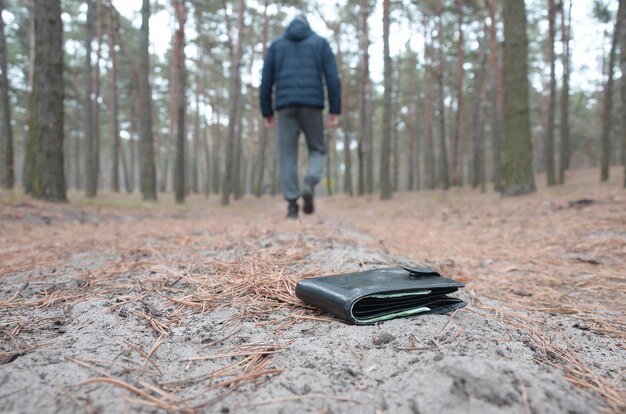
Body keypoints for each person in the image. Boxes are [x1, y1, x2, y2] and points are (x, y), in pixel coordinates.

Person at [260, 14, 341, 219]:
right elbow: (332, 77)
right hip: (312, 105)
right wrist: (335, 109)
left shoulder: (277, 45)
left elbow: (266, 80)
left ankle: (292, 206)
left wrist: (266, 111)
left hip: (285, 107)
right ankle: (309, 181)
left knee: (288, 154)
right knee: (317, 149)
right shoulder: (320, 43)